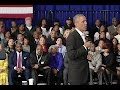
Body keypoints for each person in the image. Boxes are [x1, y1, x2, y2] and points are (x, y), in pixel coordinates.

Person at [66, 14, 92, 85]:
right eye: (83, 21)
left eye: (86, 21)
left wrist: (86, 55)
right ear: (76, 23)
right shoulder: (72, 36)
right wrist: (84, 47)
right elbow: (71, 55)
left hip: (83, 73)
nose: (86, 23)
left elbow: (79, 52)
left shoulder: (82, 35)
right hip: (77, 75)